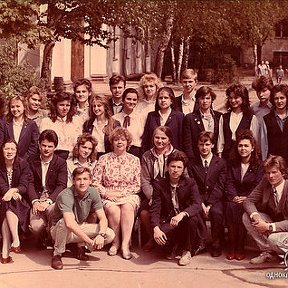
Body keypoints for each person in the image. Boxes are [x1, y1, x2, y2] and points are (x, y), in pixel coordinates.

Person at [50, 167, 115, 270]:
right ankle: (57, 254)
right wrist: (89, 241)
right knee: (63, 222)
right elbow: (69, 223)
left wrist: (101, 235)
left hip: (79, 227)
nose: (82, 182)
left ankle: (78, 246)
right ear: (73, 181)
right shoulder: (66, 195)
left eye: (85, 179)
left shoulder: (93, 192)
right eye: (78, 179)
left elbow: (102, 218)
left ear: (90, 180)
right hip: (59, 231)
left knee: (110, 234)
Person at [150, 150, 206, 266]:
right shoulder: (159, 184)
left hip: (185, 220)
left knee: (192, 220)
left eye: (179, 167)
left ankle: (187, 250)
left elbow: (197, 204)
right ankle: (175, 244)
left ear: (183, 169)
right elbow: (155, 209)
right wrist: (156, 228)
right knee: (162, 244)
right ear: (167, 167)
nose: (175, 170)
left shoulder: (190, 183)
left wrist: (182, 214)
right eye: (172, 166)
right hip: (169, 220)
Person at [93, 127, 141, 260]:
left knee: (127, 207)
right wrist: (107, 193)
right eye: (116, 139)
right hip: (108, 194)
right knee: (113, 210)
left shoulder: (135, 160)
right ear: (112, 142)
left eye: (123, 140)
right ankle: (115, 242)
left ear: (128, 142)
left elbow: (137, 184)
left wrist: (122, 194)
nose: (119, 142)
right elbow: (95, 182)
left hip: (128, 194)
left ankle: (125, 245)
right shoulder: (103, 159)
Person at [225, 130, 264, 261]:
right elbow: (229, 182)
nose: (243, 149)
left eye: (246, 146)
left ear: (252, 148)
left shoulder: (259, 165)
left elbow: (258, 186)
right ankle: (231, 246)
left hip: (251, 199)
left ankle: (240, 246)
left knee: (243, 209)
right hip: (234, 197)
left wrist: (247, 198)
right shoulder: (232, 163)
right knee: (231, 207)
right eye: (240, 146)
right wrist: (234, 196)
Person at [243, 155, 288, 264]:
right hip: (277, 224)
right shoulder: (265, 182)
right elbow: (248, 201)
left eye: (274, 172)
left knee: (274, 239)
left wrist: (268, 226)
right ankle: (269, 253)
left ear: (282, 172)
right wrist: (257, 217)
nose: (270, 176)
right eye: (268, 173)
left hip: (284, 226)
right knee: (247, 216)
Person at [188, 131, 226, 257]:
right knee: (195, 211)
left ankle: (217, 243)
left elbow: (220, 186)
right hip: (198, 197)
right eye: (201, 144)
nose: (204, 148)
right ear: (197, 146)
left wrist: (209, 204)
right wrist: (201, 203)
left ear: (213, 145)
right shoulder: (192, 163)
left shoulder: (220, 163)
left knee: (217, 212)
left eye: (207, 144)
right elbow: (193, 186)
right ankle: (200, 242)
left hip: (215, 198)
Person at [27, 129, 68, 249]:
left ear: (55, 147)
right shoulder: (31, 160)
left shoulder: (61, 163)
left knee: (51, 211)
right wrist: (34, 201)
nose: (46, 149)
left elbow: (61, 185)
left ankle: (52, 237)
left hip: (52, 199)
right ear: (39, 145)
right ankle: (43, 234)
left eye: (50, 146)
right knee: (35, 227)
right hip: (37, 197)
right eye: (43, 145)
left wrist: (48, 201)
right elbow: (29, 183)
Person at [140, 126, 177, 252]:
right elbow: (145, 180)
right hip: (153, 194)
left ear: (169, 140)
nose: (160, 141)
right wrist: (152, 197)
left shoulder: (176, 154)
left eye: (163, 138)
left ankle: (171, 241)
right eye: (157, 137)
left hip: (172, 194)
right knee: (144, 213)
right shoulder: (147, 156)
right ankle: (153, 238)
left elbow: (183, 179)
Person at [0, 139, 31, 264]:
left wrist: (14, 190)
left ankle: (5, 251)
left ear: (17, 151)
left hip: (18, 199)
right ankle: (15, 239)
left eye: (12, 149)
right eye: (6, 148)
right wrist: (9, 193)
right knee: (6, 203)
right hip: (2, 197)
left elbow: (24, 184)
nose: (9, 151)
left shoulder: (23, 164)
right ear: (2, 150)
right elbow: (1, 186)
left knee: (9, 203)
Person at [217, 83, 259, 160]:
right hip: (227, 158)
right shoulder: (224, 117)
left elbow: (254, 141)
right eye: (230, 98)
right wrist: (220, 158)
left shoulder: (251, 118)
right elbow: (221, 141)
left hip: (244, 158)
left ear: (243, 98)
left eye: (236, 98)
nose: (233, 100)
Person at [183, 86, 222, 161]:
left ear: (212, 100)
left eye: (207, 98)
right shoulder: (190, 118)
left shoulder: (219, 116)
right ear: (197, 100)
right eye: (202, 98)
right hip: (196, 158)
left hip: (214, 158)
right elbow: (187, 143)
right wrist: (192, 160)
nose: (205, 101)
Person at [40, 91, 82, 160]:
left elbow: (79, 142)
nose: (65, 108)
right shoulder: (46, 122)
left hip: (72, 159)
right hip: (53, 159)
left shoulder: (77, 121)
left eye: (67, 105)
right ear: (55, 105)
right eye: (61, 105)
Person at [142, 87, 184, 153]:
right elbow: (146, 139)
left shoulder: (179, 116)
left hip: (173, 156)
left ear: (171, 101)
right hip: (154, 155)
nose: (163, 100)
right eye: (160, 98)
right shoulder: (151, 116)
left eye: (166, 98)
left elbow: (182, 139)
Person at [4, 95, 39, 160]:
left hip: (26, 162)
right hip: (8, 161)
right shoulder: (5, 124)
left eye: (18, 106)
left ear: (24, 107)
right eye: (12, 107)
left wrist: (24, 159)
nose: (15, 109)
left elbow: (34, 145)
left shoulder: (31, 124)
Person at [113, 88, 145, 158]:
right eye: (129, 99)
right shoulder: (115, 118)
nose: (131, 102)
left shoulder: (142, 117)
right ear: (123, 100)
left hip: (136, 152)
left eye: (134, 100)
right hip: (119, 151)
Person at [261, 84, 288, 162]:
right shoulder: (266, 119)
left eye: (282, 98)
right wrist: (265, 161)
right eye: (276, 98)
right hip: (274, 162)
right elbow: (264, 144)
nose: (279, 101)